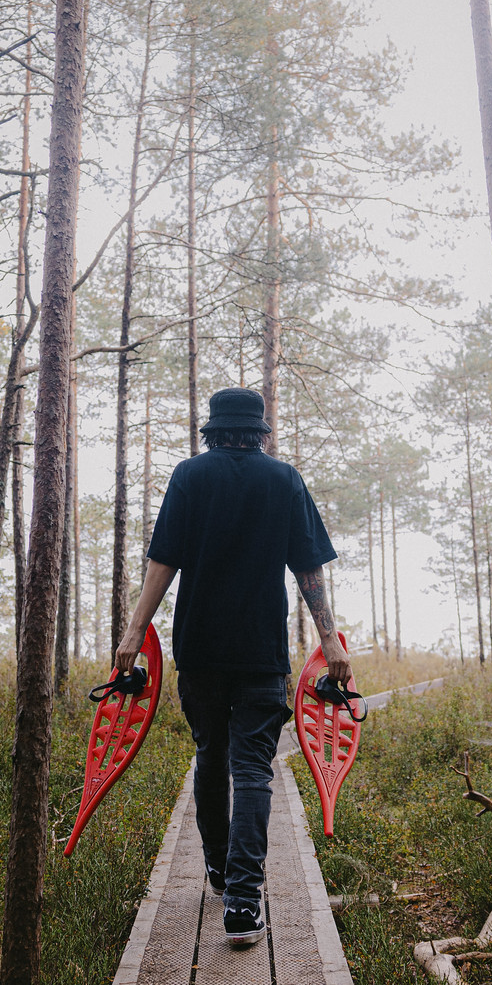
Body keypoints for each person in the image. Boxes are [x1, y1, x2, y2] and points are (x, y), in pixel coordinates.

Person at [115, 386, 349, 948]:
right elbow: (308, 568)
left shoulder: (189, 477)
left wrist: (132, 631)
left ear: (213, 431)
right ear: (259, 432)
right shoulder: (283, 479)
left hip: (199, 647)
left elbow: (162, 563)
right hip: (262, 651)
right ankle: (244, 900)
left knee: (210, 756)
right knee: (252, 769)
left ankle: (220, 870)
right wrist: (330, 641)